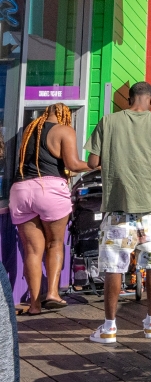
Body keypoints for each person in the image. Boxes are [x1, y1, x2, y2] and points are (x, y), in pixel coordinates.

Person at [84, 81, 151, 344]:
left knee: (114, 268)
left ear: (129, 100)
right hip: (150, 210)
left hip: (117, 209)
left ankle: (109, 327)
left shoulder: (108, 121)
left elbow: (92, 162)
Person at [12, 103, 89, 314]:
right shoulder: (64, 130)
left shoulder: (30, 130)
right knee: (54, 243)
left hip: (21, 190)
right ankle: (53, 294)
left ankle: (34, 305)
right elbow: (73, 165)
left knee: (32, 250)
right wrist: (97, 165)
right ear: (65, 115)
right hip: (50, 191)